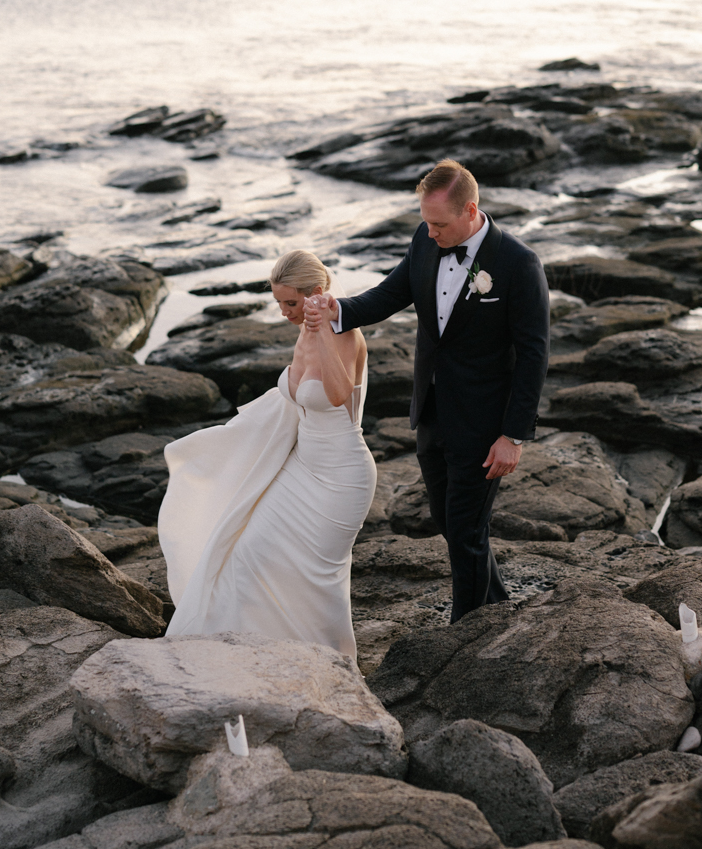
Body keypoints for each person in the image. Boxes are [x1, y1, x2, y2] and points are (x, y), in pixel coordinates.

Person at [306, 158, 549, 623]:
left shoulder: (519, 265)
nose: (430, 232)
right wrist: (338, 308)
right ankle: (496, 605)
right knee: (450, 522)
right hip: (432, 410)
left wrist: (513, 436)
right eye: (426, 222)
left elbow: (534, 356)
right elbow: (389, 294)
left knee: (464, 527)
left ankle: (465, 630)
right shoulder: (425, 238)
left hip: (484, 422)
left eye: (439, 223)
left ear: (470, 210)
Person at [158, 249, 376, 661]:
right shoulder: (303, 333)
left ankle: (330, 662)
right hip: (301, 466)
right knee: (246, 551)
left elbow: (337, 394)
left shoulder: (346, 334)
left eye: (290, 303)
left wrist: (325, 329)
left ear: (316, 294)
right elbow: (291, 401)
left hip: (341, 476)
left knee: (316, 578)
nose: (282, 312)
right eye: (278, 303)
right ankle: (252, 657)